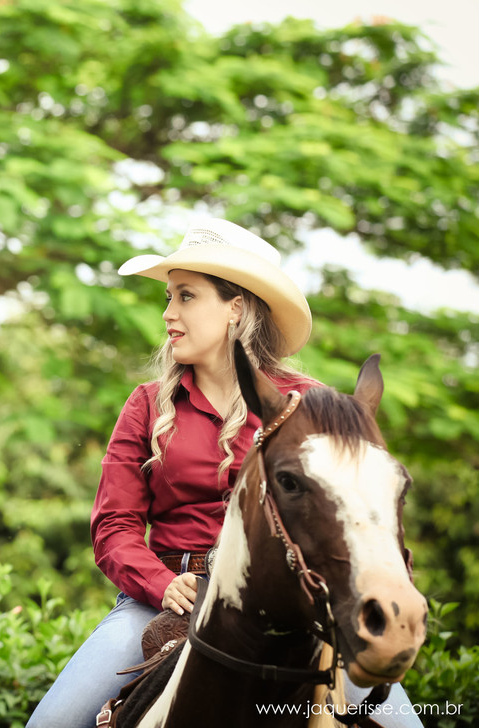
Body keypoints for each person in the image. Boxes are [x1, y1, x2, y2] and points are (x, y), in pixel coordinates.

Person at [26, 216, 422, 728]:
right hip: (164, 602)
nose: (168, 313)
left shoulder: (309, 405)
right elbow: (114, 526)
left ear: (235, 308)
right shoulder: (146, 404)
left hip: (291, 604)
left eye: (186, 296)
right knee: (51, 723)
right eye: (168, 297)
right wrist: (161, 583)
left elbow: (359, 509)